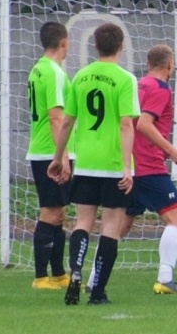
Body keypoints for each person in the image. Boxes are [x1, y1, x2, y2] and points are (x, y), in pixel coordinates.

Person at [48, 23, 139, 307]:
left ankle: (76, 269)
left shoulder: (81, 77)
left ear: (95, 46)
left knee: (82, 222)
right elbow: (126, 124)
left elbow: (67, 122)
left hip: (86, 163)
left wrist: (58, 157)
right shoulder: (125, 79)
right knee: (110, 226)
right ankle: (97, 291)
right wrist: (127, 167)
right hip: (113, 165)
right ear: (121, 46)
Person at [122, 44, 177, 295]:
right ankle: (165, 279)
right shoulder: (160, 88)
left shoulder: (137, 86)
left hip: (128, 165)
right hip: (148, 166)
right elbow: (144, 124)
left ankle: (93, 280)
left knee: (117, 227)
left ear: (148, 64)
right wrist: (171, 150)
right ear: (169, 65)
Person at [26, 22, 72, 290]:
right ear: (63, 42)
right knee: (50, 212)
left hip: (45, 149)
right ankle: (41, 276)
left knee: (59, 212)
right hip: (49, 152)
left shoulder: (38, 69)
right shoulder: (53, 72)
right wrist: (61, 156)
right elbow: (56, 118)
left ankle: (58, 274)